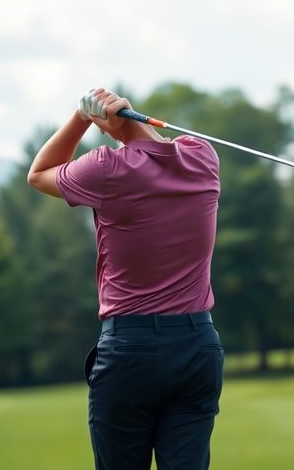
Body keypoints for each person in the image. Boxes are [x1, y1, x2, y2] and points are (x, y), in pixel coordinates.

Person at [27, 88, 224, 470]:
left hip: (131, 351)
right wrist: (128, 120)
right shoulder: (204, 158)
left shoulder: (105, 169)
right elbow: (163, 147)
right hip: (198, 346)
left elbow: (38, 174)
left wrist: (81, 117)